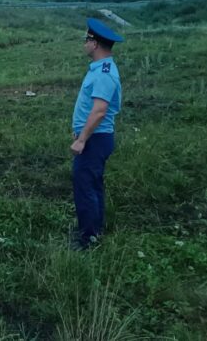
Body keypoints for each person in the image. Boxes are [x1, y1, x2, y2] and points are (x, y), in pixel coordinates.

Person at [70, 18, 124, 250]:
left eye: (87, 39)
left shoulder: (104, 73)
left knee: (85, 185)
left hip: (95, 139)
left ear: (95, 43)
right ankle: (94, 229)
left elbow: (99, 110)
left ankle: (88, 239)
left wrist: (82, 139)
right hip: (95, 137)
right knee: (92, 184)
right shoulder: (101, 69)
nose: (84, 44)